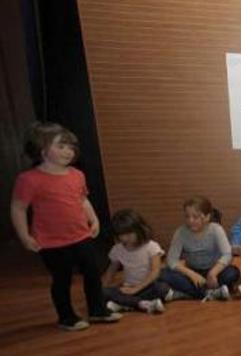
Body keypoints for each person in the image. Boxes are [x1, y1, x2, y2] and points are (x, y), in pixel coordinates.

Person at [10, 122, 122, 331]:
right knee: (62, 279)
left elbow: (82, 200)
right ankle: (66, 316)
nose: (68, 151)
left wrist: (94, 220)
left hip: (81, 235)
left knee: (92, 272)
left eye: (70, 147)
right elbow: (18, 208)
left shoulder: (76, 175)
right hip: (51, 242)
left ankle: (97, 310)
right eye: (61, 146)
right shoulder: (29, 179)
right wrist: (25, 236)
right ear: (42, 149)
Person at [160, 196, 240, 301]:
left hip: (213, 269)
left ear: (207, 217)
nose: (190, 221)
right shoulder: (181, 232)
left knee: (233, 272)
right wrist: (192, 274)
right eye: (187, 217)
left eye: (195, 217)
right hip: (193, 271)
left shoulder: (216, 229)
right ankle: (211, 292)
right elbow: (171, 260)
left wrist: (213, 273)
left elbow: (227, 254)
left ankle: (192, 293)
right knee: (164, 274)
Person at [102, 209, 169, 314]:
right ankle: (142, 304)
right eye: (121, 234)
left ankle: (123, 304)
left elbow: (155, 273)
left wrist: (136, 289)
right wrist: (102, 289)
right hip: (128, 287)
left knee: (162, 288)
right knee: (103, 292)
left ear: (139, 229)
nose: (125, 238)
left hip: (147, 286)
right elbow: (111, 271)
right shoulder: (117, 249)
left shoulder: (151, 246)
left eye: (129, 234)